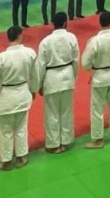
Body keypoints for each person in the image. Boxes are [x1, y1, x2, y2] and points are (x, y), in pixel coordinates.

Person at [0, 25, 39, 169]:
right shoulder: (30, 53)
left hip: (6, 97)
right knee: (21, 127)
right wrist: (33, 90)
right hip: (23, 92)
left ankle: (6, 161)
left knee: (5, 130)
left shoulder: (1, 58)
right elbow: (35, 75)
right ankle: (22, 157)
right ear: (20, 36)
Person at [82, 10, 110, 147]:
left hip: (100, 78)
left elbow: (85, 63)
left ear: (99, 23)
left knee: (97, 109)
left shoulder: (94, 41)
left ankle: (98, 139)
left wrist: (94, 69)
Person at [35, 12, 80, 153]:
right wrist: (73, 76)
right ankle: (65, 141)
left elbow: (40, 65)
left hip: (51, 77)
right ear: (65, 23)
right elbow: (76, 60)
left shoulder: (45, 42)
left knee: (52, 113)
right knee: (66, 111)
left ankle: (54, 144)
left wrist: (39, 84)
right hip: (67, 75)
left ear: (52, 24)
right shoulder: (71, 38)